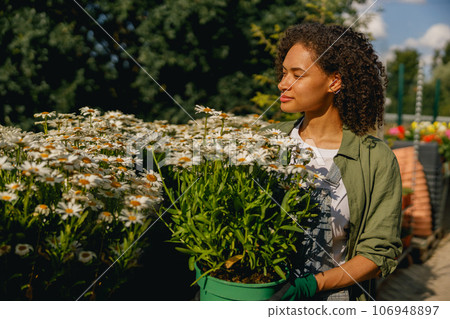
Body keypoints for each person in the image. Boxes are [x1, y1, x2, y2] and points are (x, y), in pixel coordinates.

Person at [260, 22, 402, 301]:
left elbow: (378, 252)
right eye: (284, 72)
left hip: (334, 299)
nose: (283, 83)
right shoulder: (265, 141)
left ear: (334, 82)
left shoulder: (375, 159)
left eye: (297, 75)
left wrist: (311, 285)